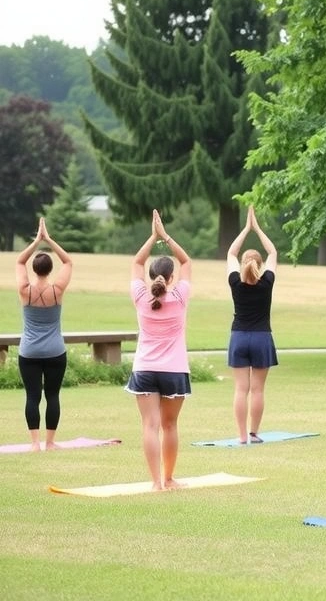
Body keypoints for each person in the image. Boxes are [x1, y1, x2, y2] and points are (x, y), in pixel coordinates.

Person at [125, 210, 192, 490]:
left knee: (149, 426)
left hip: (145, 370)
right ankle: (169, 479)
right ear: (171, 277)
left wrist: (153, 237)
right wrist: (165, 236)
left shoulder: (141, 296)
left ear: (152, 277)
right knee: (170, 425)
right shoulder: (179, 296)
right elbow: (186, 260)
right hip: (174, 371)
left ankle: (156, 483)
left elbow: (137, 262)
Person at [15, 218, 73, 451]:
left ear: (34, 269)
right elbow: (68, 261)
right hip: (55, 352)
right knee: (52, 396)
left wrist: (36, 241)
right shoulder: (57, 291)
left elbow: (20, 261)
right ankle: (50, 443)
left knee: (32, 397)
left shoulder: (25, 291)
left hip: (29, 352)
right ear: (50, 270)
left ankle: (35, 443)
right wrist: (48, 240)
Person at [226, 206, 279, 444]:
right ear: (260, 264)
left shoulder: (235, 281)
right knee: (257, 390)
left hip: (239, 337)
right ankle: (254, 433)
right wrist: (257, 228)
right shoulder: (267, 281)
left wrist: (246, 229)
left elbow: (231, 252)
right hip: (261, 338)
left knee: (241, 389)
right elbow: (273, 251)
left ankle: (241, 436)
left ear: (243, 264)